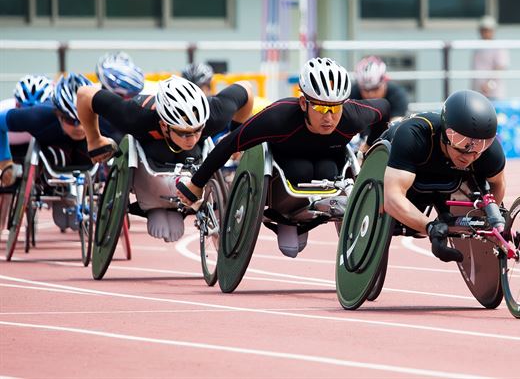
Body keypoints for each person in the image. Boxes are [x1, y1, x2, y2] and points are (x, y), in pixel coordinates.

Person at [175, 57, 390, 258]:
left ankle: (304, 221)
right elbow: (230, 143)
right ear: (304, 103)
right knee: (301, 171)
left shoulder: (352, 115)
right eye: (320, 107)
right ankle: (287, 219)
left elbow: (384, 109)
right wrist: (197, 183)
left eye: (335, 108)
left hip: (329, 165)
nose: (329, 116)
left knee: (327, 170)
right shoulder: (279, 117)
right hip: (286, 170)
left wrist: (370, 145)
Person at [76, 75, 254, 243]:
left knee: (192, 152)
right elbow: (84, 94)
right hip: (148, 151)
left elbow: (247, 89)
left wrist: (235, 135)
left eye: (197, 130)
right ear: (164, 125)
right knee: (159, 152)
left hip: (188, 164)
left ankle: (180, 206)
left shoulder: (214, 114)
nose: (191, 138)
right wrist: (94, 139)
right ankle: (154, 207)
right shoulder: (135, 116)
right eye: (184, 133)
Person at [383, 89, 506, 263]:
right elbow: (391, 198)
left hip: (447, 184)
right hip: (403, 170)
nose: (469, 155)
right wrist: (430, 228)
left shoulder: (489, 152)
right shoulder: (413, 136)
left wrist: (486, 217)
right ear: (445, 133)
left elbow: (497, 186)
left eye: (479, 146)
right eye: (461, 143)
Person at [0, 73, 100, 231]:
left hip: (86, 151)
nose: (78, 127)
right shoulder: (37, 116)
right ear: (59, 115)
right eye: (71, 120)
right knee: (56, 156)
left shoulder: (105, 117)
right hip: (52, 153)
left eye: (83, 119)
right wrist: (5, 161)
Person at [351, 56, 408, 122]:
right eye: (366, 90)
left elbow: (396, 124)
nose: (370, 95)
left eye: (375, 89)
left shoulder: (396, 94)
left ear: (384, 82)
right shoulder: (353, 94)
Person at [471, 15, 510, 100]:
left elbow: (500, 68)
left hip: (493, 94)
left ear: (493, 31)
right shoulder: (477, 48)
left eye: (487, 30)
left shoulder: (498, 47)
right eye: (483, 30)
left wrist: (489, 85)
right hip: (477, 93)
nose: (485, 33)